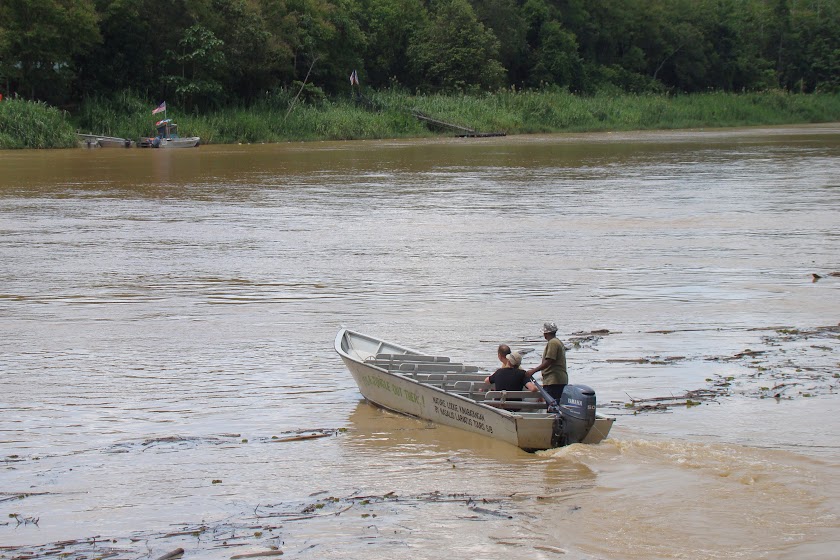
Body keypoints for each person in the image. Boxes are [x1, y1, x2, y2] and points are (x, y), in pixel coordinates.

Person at [525, 322, 568, 401]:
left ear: (546, 333)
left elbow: (549, 361)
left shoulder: (553, 343)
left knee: (552, 404)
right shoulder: (557, 342)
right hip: (559, 379)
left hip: (554, 381)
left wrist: (533, 371)